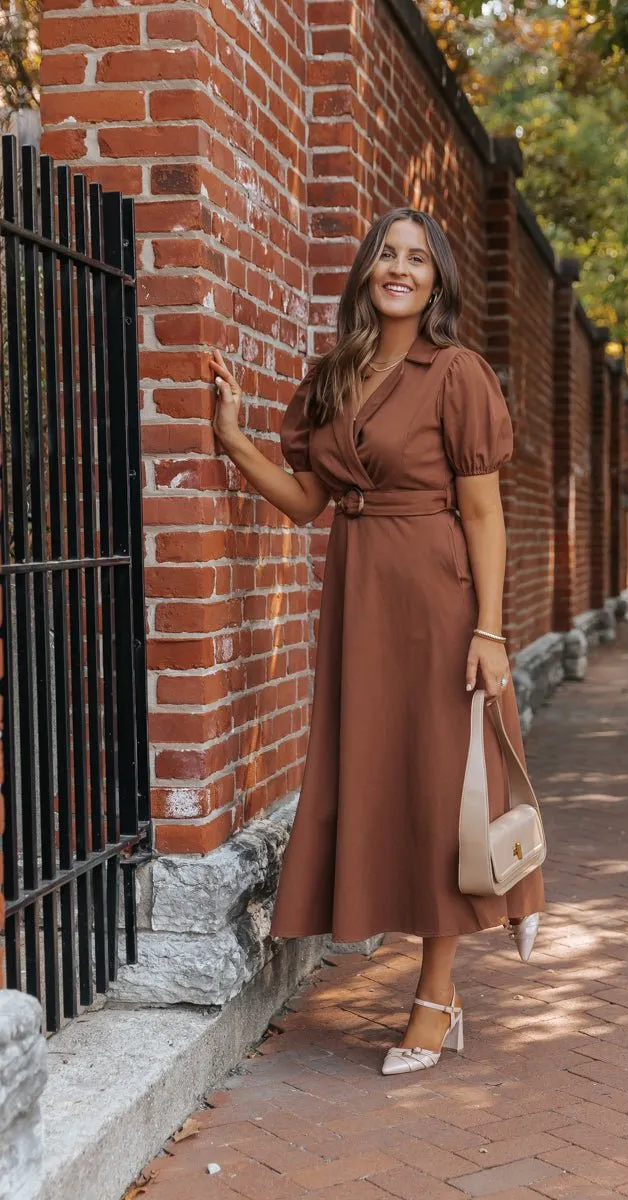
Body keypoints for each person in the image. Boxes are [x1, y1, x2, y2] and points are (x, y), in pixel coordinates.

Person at [210, 207, 545, 1076]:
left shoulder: (457, 372)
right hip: (359, 600)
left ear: (437, 281)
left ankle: (435, 995)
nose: (400, 269)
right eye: (387, 255)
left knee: (440, 795)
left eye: (417, 259)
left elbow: (483, 514)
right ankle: (439, 992)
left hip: (438, 603)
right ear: (367, 271)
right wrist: (233, 438)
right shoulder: (335, 373)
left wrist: (490, 629)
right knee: (389, 786)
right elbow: (308, 501)